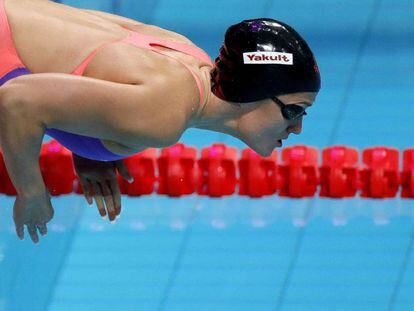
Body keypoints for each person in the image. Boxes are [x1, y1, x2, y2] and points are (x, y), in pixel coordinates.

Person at [0, 0, 321, 243]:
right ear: (256, 92)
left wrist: (90, 137)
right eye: (294, 110)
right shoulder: (164, 115)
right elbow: (17, 102)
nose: (297, 128)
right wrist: (31, 193)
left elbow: (84, 58)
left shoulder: (190, 57)